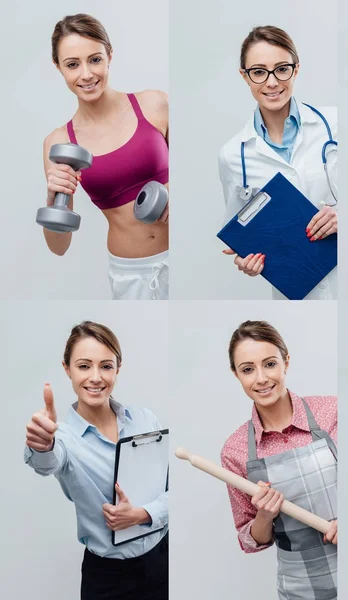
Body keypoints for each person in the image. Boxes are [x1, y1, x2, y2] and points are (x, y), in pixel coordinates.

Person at [24, 321, 168, 600]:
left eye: (106, 366)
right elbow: (48, 462)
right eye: (84, 366)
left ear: (118, 368)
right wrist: (43, 445)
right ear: (67, 369)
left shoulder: (145, 419)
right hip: (109, 579)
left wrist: (143, 514)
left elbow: (173, 490)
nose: (95, 377)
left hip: (162, 560)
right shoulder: (63, 439)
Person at [43, 14, 169, 300]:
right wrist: (52, 196)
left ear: (110, 55)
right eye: (72, 64)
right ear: (58, 67)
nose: (86, 74)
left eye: (95, 59)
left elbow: (197, 177)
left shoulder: (155, 104)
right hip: (132, 273)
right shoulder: (60, 143)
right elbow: (59, 246)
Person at [219, 26, 338, 300]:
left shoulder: (335, 124)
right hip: (294, 290)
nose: (272, 82)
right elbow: (239, 235)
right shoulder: (233, 155)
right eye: (259, 72)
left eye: (281, 69)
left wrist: (343, 216)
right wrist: (245, 259)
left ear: (295, 69)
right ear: (244, 76)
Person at [221, 320, 337, 599]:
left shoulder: (332, 411)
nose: (261, 378)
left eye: (270, 364)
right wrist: (265, 514)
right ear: (236, 374)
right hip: (300, 588)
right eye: (248, 369)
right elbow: (251, 540)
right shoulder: (235, 451)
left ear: (286, 362)